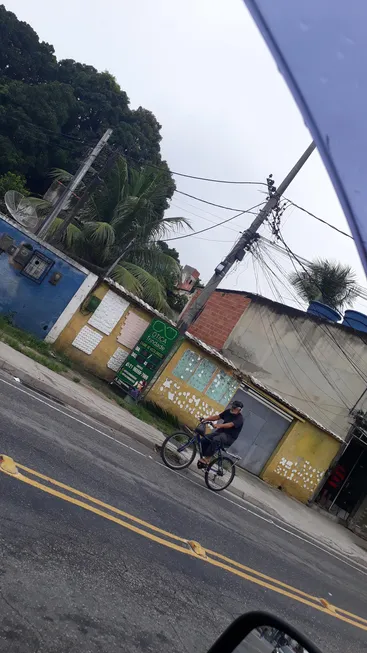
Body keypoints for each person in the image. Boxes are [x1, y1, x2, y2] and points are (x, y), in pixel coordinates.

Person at [198, 400, 244, 466]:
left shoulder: (240, 419)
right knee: (205, 439)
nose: (232, 408)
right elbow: (217, 417)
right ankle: (205, 456)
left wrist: (218, 425)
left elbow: (230, 425)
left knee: (216, 439)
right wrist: (205, 419)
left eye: (234, 408)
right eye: (232, 406)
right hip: (220, 433)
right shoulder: (228, 411)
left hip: (229, 437)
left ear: (239, 410)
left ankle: (207, 459)